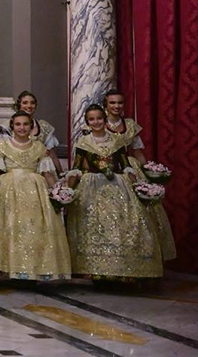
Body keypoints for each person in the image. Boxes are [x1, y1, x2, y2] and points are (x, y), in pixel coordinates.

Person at [67, 104, 162, 281]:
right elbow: (77, 167)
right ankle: (97, 269)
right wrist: (68, 191)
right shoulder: (83, 142)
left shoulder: (117, 141)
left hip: (117, 185)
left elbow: (125, 165)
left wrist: (139, 186)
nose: (96, 122)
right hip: (92, 187)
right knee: (95, 225)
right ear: (87, 122)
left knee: (123, 224)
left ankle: (123, 268)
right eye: (91, 119)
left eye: (99, 118)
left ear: (104, 119)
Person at [0, 112, 71, 281]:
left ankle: (33, 269)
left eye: (25, 124)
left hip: (35, 193)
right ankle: (12, 269)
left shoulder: (39, 147)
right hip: (9, 192)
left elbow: (47, 174)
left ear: (31, 127)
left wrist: (58, 193)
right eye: (18, 124)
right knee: (12, 228)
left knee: (34, 228)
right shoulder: (2, 146)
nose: (22, 128)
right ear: (12, 126)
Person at [104, 90, 176, 262]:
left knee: (139, 211)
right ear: (105, 104)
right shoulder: (98, 122)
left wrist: (149, 171)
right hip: (107, 169)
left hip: (130, 168)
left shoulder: (130, 125)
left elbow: (137, 152)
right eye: (112, 103)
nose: (116, 106)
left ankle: (137, 254)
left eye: (120, 102)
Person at [1, 91, 63, 174]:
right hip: (13, 172)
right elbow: (2, 153)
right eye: (25, 103)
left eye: (32, 103)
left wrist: (61, 174)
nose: (29, 106)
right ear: (19, 105)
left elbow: (52, 155)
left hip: (40, 172)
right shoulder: (8, 126)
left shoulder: (44, 127)